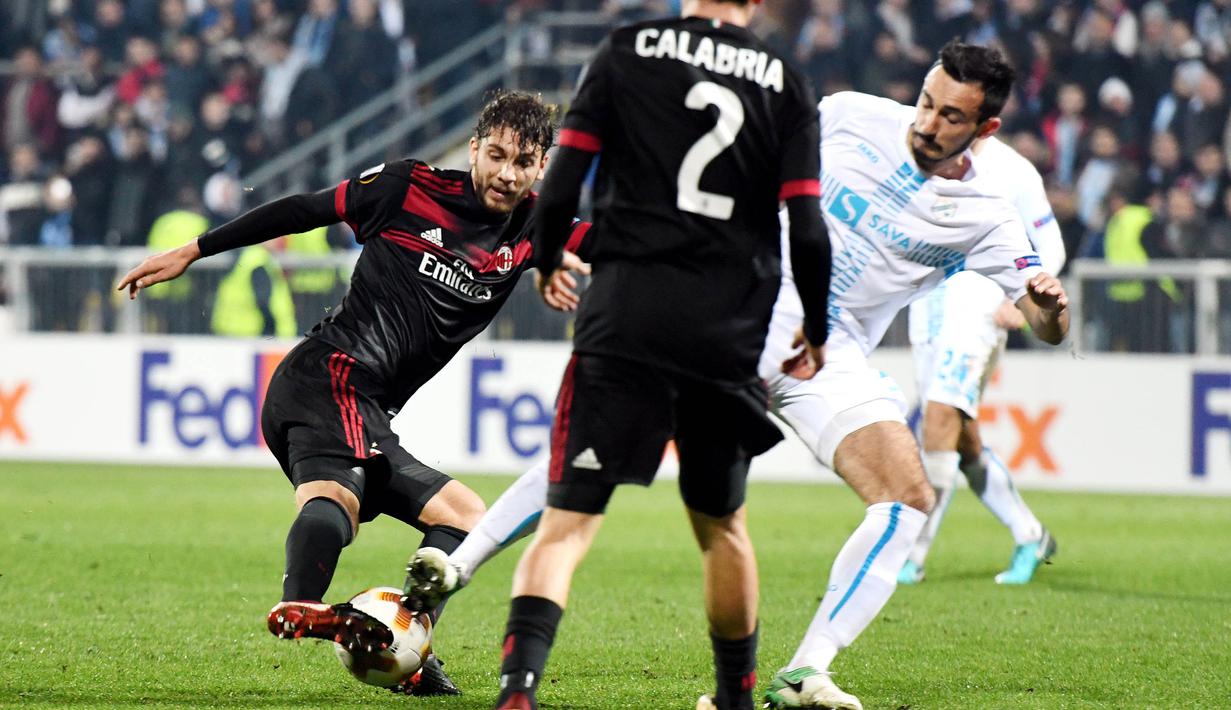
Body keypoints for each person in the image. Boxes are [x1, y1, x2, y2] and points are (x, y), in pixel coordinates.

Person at [407, 41, 1071, 710]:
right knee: (595, 453)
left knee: (907, 498)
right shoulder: (847, 116)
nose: (927, 123)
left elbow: (1047, 327)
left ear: (984, 129)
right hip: (736, 309)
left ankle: (803, 673)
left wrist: (1044, 307)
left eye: (950, 116)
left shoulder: (988, 213)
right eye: (926, 102)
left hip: (825, 352)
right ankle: (457, 566)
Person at [116, 92, 590, 696]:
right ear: (473, 148)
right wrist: (195, 249)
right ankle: (304, 604)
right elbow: (303, 210)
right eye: (495, 154)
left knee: (468, 520)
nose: (506, 173)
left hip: (355, 403)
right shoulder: (407, 187)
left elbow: (610, 243)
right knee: (340, 497)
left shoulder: (534, 228)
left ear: (542, 167)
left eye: (523, 162)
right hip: (333, 374)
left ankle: (405, 642)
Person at [465, 2, 834, 709]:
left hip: (625, 316)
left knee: (566, 527)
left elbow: (564, 177)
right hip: (723, 332)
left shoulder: (625, 50)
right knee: (722, 527)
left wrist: (545, 259)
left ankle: (517, 693)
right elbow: (807, 227)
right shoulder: (785, 82)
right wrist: (817, 326)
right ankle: (732, 698)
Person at [899, 134, 1067, 587]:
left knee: (936, 421)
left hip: (978, 306)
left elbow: (1050, 243)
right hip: (928, 307)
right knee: (961, 438)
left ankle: (909, 556)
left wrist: (1024, 296)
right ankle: (1030, 534)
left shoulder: (1014, 171)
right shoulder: (923, 155)